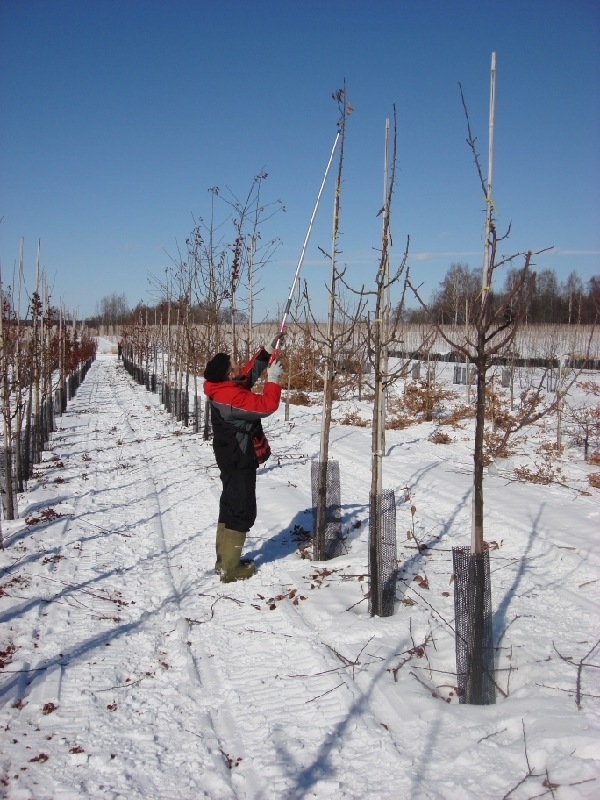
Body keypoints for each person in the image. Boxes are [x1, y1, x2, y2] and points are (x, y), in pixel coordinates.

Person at [203, 337, 283, 582]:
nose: (239, 364)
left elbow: (246, 376)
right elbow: (266, 405)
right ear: (228, 374)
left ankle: (223, 561)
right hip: (238, 458)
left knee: (230, 503)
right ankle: (231, 568)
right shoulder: (231, 398)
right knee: (241, 509)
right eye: (234, 363)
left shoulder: (222, 388)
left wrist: (266, 352)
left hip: (229, 456)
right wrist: (273, 380)